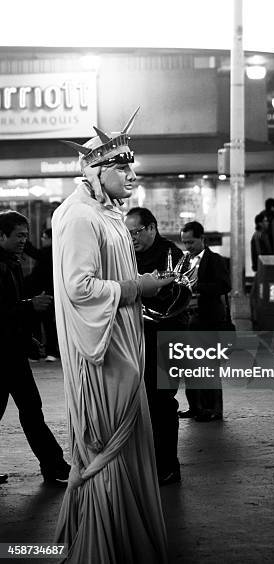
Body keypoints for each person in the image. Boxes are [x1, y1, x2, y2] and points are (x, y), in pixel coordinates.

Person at [53, 113, 173, 563]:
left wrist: (143, 283)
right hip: (102, 354)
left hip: (122, 343)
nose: (132, 175)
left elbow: (110, 279)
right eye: (123, 167)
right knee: (112, 445)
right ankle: (103, 546)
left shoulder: (107, 214)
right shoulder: (79, 216)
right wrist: (136, 287)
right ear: (96, 169)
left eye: (132, 166)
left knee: (131, 442)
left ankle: (123, 542)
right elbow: (79, 288)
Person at [0, 210, 70, 485]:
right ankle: (54, 466)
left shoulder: (12, 263)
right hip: (2, 356)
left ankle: (54, 466)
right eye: (19, 236)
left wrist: (26, 339)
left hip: (12, 353)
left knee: (31, 409)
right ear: (1, 235)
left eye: (26, 236)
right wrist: (30, 306)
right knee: (30, 410)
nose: (23, 241)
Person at [125, 206, 188, 486]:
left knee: (162, 403)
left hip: (167, 340)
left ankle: (168, 466)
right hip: (137, 340)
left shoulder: (171, 255)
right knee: (142, 403)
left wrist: (141, 295)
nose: (133, 238)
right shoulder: (128, 257)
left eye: (136, 231)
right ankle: (148, 464)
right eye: (128, 233)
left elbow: (173, 299)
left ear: (152, 227)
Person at [179, 221, 231, 422]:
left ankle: (214, 409)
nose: (188, 246)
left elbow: (224, 285)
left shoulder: (214, 260)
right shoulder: (183, 261)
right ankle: (195, 407)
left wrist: (197, 286)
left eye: (191, 242)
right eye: (185, 242)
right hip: (188, 321)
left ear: (202, 239)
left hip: (209, 320)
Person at [25, 228, 59, 362]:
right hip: (43, 292)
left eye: (45, 237)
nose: (42, 240)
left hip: (47, 293)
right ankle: (41, 351)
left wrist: (23, 240)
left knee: (47, 323)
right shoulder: (50, 253)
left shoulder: (50, 252)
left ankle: (49, 351)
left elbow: (35, 253)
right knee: (42, 322)